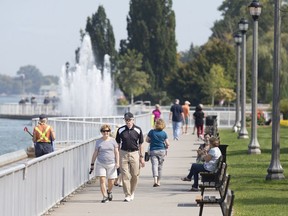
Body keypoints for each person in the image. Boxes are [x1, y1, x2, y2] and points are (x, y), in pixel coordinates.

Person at [115, 112, 145, 202]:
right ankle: (127, 194)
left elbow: (141, 144)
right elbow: (117, 144)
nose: (128, 122)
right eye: (126, 120)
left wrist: (142, 157)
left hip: (135, 153)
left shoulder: (138, 130)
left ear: (133, 120)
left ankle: (132, 192)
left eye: (129, 120)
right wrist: (117, 156)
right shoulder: (120, 130)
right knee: (125, 175)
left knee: (135, 174)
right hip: (123, 153)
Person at [89, 124, 119, 203]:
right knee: (102, 179)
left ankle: (109, 191)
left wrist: (117, 162)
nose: (106, 132)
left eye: (108, 131)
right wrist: (92, 163)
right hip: (101, 163)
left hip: (111, 163)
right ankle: (104, 196)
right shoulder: (99, 141)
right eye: (104, 131)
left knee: (111, 181)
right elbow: (95, 152)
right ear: (101, 132)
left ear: (109, 131)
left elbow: (116, 152)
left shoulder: (113, 140)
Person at [146, 118, 170, 187]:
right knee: (160, 167)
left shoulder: (151, 132)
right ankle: (159, 181)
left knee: (154, 165)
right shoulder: (164, 133)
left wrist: (152, 141)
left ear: (156, 124)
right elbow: (168, 144)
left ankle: (155, 180)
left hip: (153, 150)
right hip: (162, 151)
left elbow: (147, 140)